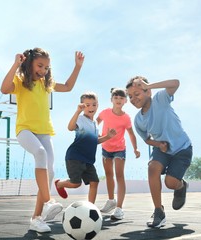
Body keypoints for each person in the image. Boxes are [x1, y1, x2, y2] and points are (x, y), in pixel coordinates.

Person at [0, 47, 85, 233]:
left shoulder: (47, 85)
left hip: (44, 131)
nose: (43, 70)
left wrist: (77, 66)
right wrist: (16, 64)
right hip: (25, 130)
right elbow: (4, 89)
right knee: (40, 153)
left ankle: (36, 218)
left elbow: (68, 87)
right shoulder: (21, 82)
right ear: (29, 64)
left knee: (50, 172)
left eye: (46, 67)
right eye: (40, 66)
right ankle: (48, 201)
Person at [126, 76, 192, 228]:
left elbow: (176, 83)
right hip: (162, 149)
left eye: (137, 94)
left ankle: (181, 186)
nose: (133, 99)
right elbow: (147, 139)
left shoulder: (160, 99)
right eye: (130, 96)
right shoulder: (138, 120)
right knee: (152, 168)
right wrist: (158, 144)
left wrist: (150, 85)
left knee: (170, 183)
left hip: (182, 148)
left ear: (148, 92)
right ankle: (158, 211)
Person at [55, 91, 116, 204]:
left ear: (97, 105)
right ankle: (59, 184)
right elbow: (70, 127)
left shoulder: (95, 124)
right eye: (87, 105)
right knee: (76, 183)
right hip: (75, 157)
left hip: (88, 160)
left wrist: (107, 137)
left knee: (94, 182)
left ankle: (90, 207)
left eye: (94, 104)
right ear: (82, 107)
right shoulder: (80, 119)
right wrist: (77, 112)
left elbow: (95, 141)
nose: (91, 107)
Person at [96, 88, 140, 220]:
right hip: (106, 148)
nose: (118, 100)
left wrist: (135, 148)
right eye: (116, 98)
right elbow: (94, 123)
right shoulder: (105, 113)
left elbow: (131, 134)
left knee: (119, 175)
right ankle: (111, 201)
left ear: (125, 101)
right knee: (109, 174)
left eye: (121, 98)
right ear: (111, 100)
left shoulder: (126, 118)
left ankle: (119, 208)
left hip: (119, 149)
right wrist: (96, 134)